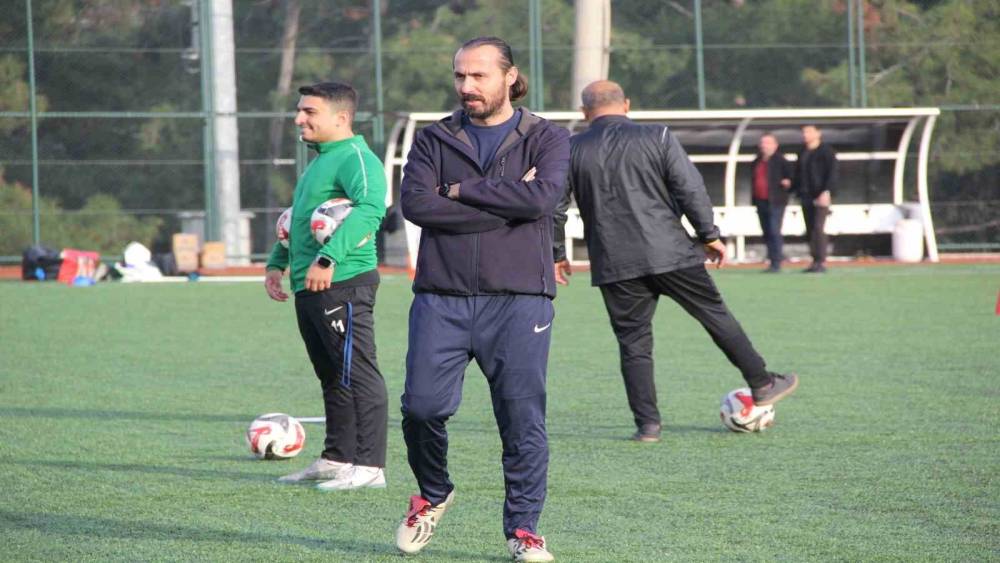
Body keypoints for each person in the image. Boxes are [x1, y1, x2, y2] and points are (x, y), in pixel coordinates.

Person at [394, 36, 569, 562]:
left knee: (521, 419)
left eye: (478, 76)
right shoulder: (433, 139)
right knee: (421, 408)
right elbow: (416, 206)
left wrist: (459, 189)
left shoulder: (548, 137)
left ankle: (524, 530)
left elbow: (542, 199)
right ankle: (433, 494)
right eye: (460, 76)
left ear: (510, 77)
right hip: (441, 298)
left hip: (519, 301)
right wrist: (509, 202)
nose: (466, 86)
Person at [553, 81, 798, 443]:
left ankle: (648, 426)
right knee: (715, 315)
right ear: (627, 104)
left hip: (614, 261)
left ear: (584, 112)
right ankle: (761, 383)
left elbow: (554, 206)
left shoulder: (571, 148)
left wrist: (557, 254)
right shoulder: (658, 135)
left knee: (634, 344)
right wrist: (708, 234)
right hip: (670, 251)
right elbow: (689, 187)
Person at [264, 81, 389, 491]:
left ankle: (370, 466)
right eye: (299, 110)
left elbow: (371, 210)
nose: (298, 119)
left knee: (358, 372)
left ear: (341, 117)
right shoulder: (319, 161)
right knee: (332, 374)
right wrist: (277, 262)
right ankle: (337, 458)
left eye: (309, 112)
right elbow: (298, 219)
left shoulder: (357, 158)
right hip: (310, 286)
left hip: (344, 283)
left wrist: (328, 258)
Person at [793, 125, 837, 273]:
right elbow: (798, 174)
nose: (805, 135)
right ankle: (814, 260)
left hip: (821, 195)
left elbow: (832, 172)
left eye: (809, 132)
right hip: (805, 195)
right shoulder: (802, 152)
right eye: (804, 132)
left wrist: (826, 191)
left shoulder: (826, 151)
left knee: (818, 228)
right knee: (810, 229)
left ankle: (821, 261)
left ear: (818, 133)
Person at [751, 133, 793, 272]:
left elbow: (791, 177)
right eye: (763, 143)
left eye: (768, 143)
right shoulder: (757, 161)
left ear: (775, 145)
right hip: (760, 201)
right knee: (766, 231)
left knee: (774, 230)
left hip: (776, 201)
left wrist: (787, 182)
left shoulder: (781, 160)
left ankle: (777, 261)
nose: (764, 145)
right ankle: (771, 259)